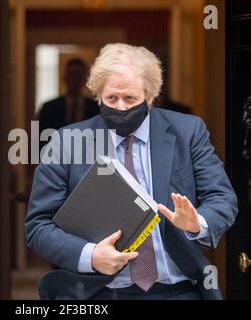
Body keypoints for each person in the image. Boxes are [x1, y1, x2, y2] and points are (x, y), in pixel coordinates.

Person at [25, 43, 238, 300]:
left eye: (131, 98)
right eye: (112, 98)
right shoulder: (66, 142)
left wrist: (198, 223)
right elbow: (38, 226)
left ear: (150, 96)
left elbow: (222, 198)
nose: (121, 108)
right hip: (99, 293)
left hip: (179, 291)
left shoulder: (188, 131)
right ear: (98, 95)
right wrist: (90, 255)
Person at [38, 58, 99, 138]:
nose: (75, 80)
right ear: (65, 78)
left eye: (79, 76)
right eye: (71, 75)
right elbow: (40, 140)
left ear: (86, 79)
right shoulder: (49, 108)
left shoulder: (96, 109)